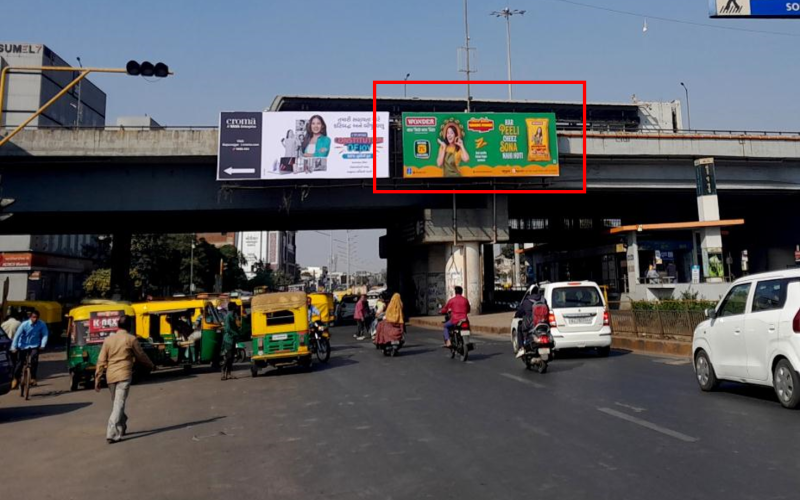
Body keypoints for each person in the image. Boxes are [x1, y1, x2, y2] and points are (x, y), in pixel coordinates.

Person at [94, 315, 154, 444]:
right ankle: (112, 433)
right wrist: (150, 365)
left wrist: (97, 378)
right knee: (118, 404)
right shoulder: (131, 339)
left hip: (111, 376)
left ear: (117, 325)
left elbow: (101, 360)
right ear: (129, 326)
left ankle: (119, 427)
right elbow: (141, 355)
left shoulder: (108, 340)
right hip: (124, 375)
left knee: (117, 403)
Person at [10, 309, 49, 389]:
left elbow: (45, 334)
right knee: (20, 362)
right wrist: (14, 347)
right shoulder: (24, 324)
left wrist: (42, 345)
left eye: (36, 317)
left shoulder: (42, 324)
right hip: (23, 345)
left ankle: (33, 378)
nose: (35, 319)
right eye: (33, 317)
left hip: (34, 345)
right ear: (30, 317)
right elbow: (17, 335)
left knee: (34, 359)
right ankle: (16, 378)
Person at [514, 286, 548, 359]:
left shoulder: (526, 301)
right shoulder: (543, 299)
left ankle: (521, 348)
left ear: (530, 292)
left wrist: (516, 315)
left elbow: (519, 312)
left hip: (529, 324)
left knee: (519, 328)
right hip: (543, 323)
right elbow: (547, 310)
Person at [221, 306, 240, 381]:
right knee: (229, 356)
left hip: (232, 339)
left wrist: (238, 333)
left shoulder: (232, 316)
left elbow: (235, 327)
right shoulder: (228, 317)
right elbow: (228, 329)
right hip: (228, 339)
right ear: (233, 309)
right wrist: (235, 333)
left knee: (231, 357)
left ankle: (229, 373)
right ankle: (223, 371)